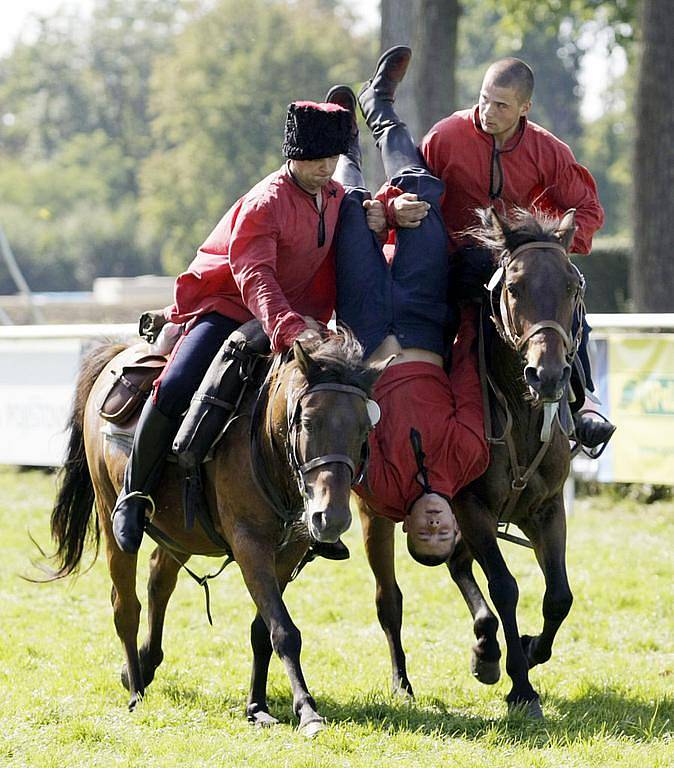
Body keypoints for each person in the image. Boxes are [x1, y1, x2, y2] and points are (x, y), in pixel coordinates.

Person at [111, 100, 352, 555]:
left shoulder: (335, 196)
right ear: (293, 154)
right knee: (177, 384)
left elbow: (363, 207)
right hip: (230, 308)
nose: (325, 169)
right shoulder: (264, 204)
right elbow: (255, 278)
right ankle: (133, 494)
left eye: (332, 160)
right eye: (315, 159)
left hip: (295, 320)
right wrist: (289, 329)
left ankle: (312, 512)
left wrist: (392, 209)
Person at [370, 54, 615, 450]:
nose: (487, 112)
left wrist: (554, 243)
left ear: (525, 108)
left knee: (565, 294)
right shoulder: (447, 135)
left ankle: (583, 402)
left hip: (513, 266)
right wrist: (392, 209)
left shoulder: (548, 150)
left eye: (501, 105)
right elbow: (405, 184)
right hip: (448, 262)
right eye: (484, 99)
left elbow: (588, 210)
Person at [328, 47, 489, 566]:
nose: (436, 525)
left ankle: (345, 144)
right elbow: (466, 371)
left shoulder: (374, 488)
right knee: (421, 196)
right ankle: (379, 106)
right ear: (458, 530)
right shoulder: (470, 457)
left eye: (426, 536)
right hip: (424, 322)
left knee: (352, 215)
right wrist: (464, 310)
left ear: (409, 532)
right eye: (445, 535)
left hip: (367, 333)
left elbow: (345, 422)